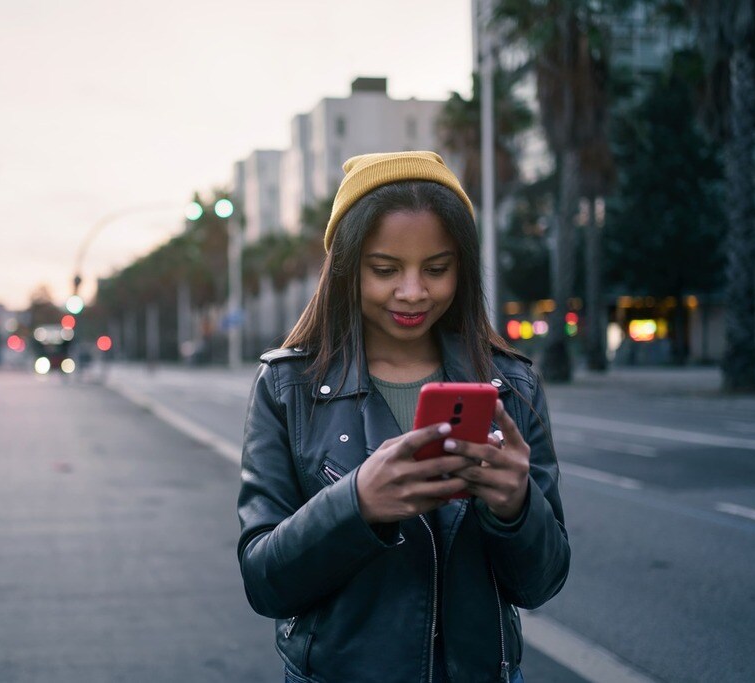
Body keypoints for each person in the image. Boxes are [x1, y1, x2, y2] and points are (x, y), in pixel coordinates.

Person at [237, 152, 570, 683]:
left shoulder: (512, 384)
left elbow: (541, 584)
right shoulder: (286, 386)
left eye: (437, 269)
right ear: (347, 268)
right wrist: (357, 503)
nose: (413, 292)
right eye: (385, 270)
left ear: (461, 266)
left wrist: (516, 508)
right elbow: (265, 581)